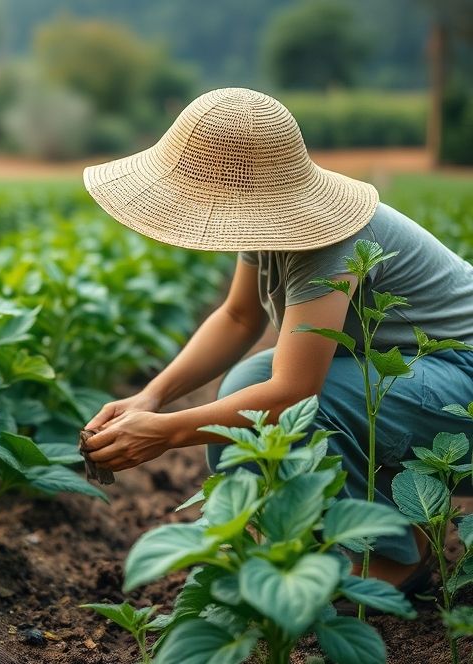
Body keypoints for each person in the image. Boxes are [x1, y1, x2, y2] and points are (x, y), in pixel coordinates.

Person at [80, 87, 473, 591]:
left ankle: (393, 558)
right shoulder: (266, 220)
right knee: (248, 378)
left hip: (460, 387)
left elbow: (296, 392)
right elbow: (239, 318)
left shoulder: (326, 236)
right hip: (417, 385)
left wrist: (169, 431)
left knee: (309, 398)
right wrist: (150, 397)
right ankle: (299, 532)